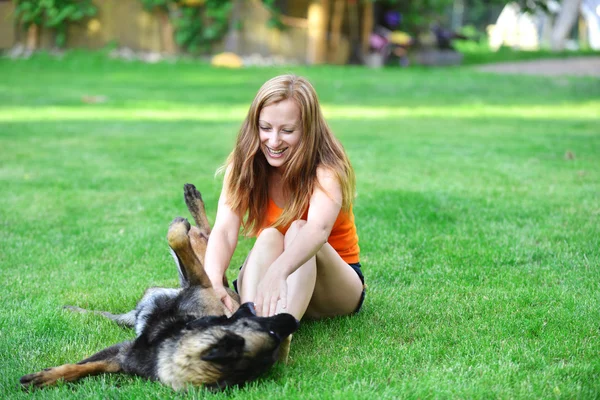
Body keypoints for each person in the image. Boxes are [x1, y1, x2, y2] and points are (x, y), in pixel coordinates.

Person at [203, 74, 365, 326]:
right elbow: (224, 230)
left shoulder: (327, 168)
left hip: (332, 286)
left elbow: (317, 230)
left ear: (308, 130)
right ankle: (250, 325)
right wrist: (213, 282)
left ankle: (278, 333)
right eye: (265, 128)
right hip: (274, 281)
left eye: (287, 131)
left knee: (298, 229)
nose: (274, 141)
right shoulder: (245, 164)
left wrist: (279, 271)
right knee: (269, 236)